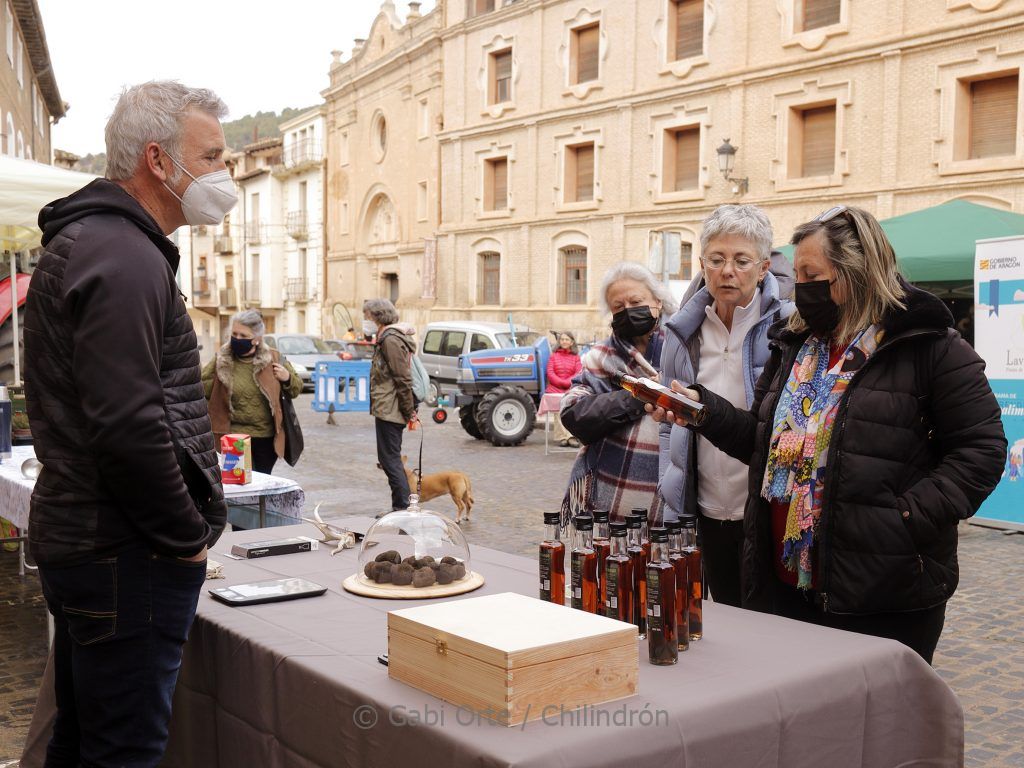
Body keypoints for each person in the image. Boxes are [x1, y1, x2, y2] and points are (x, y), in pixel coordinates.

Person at [651, 205, 1006, 663]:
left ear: (854, 272)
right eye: (796, 273)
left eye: (810, 274)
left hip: (883, 589)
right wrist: (702, 410)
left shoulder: (930, 346)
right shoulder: (798, 344)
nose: (799, 287)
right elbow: (764, 444)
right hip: (789, 583)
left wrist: (904, 518)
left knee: (880, 725)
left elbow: (982, 450)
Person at [23, 81, 232, 766]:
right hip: (125, 553)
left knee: (84, 741)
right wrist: (186, 540)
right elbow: (128, 426)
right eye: (213, 156)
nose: (224, 174)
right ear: (158, 161)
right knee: (123, 753)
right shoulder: (122, 254)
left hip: (99, 545)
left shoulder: (104, 244)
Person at [658, 205, 794, 608]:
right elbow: (668, 425)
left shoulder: (789, 327)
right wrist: (672, 484)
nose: (727, 271)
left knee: (771, 626)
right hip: (703, 510)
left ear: (764, 266)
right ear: (702, 264)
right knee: (721, 617)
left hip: (764, 511)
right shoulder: (683, 332)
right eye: (716, 260)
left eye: (740, 260)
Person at [561, 262, 677, 523]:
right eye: (618, 307)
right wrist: (641, 393)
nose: (628, 311)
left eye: (636, 301)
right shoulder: (600, 358)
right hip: (610, 497)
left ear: (657, 301)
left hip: (675, 499)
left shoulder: (686, 349)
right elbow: (575, 414)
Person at [202, 309, 302, 474]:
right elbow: (201, 389)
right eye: (234, 334)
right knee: (237, 484)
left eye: (243, 336)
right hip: (232, 437)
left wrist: (287, 378)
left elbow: (296, 388)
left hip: (266, 439)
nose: (237, 339)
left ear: (256, 339)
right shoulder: (221, 359)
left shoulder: (274, 358)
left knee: (261, 482)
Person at [366, 298, 420, 513]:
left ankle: (402, 508)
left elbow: (402, 378)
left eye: (368, 316)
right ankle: (401, 507)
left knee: (390, 460)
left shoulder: (390, 340)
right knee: (389, 459)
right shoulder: (386, 338)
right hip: (388, 406)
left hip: (392, 408)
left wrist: (410, 412)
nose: (366, 320)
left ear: (378, 316)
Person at [546, 331, 583, 448]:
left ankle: (571, 436)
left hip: (571, 388)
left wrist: (568, 383)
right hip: (555, 388)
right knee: (558, 410)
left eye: (567, 339)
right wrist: (561, 382)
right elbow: (550, 372)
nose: (564, 341)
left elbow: (578, 372)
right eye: (562, 339)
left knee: (571, 409)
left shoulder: (576, 357)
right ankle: (562, 437)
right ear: (559, 342)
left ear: (571, 342)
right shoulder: (553, 356)